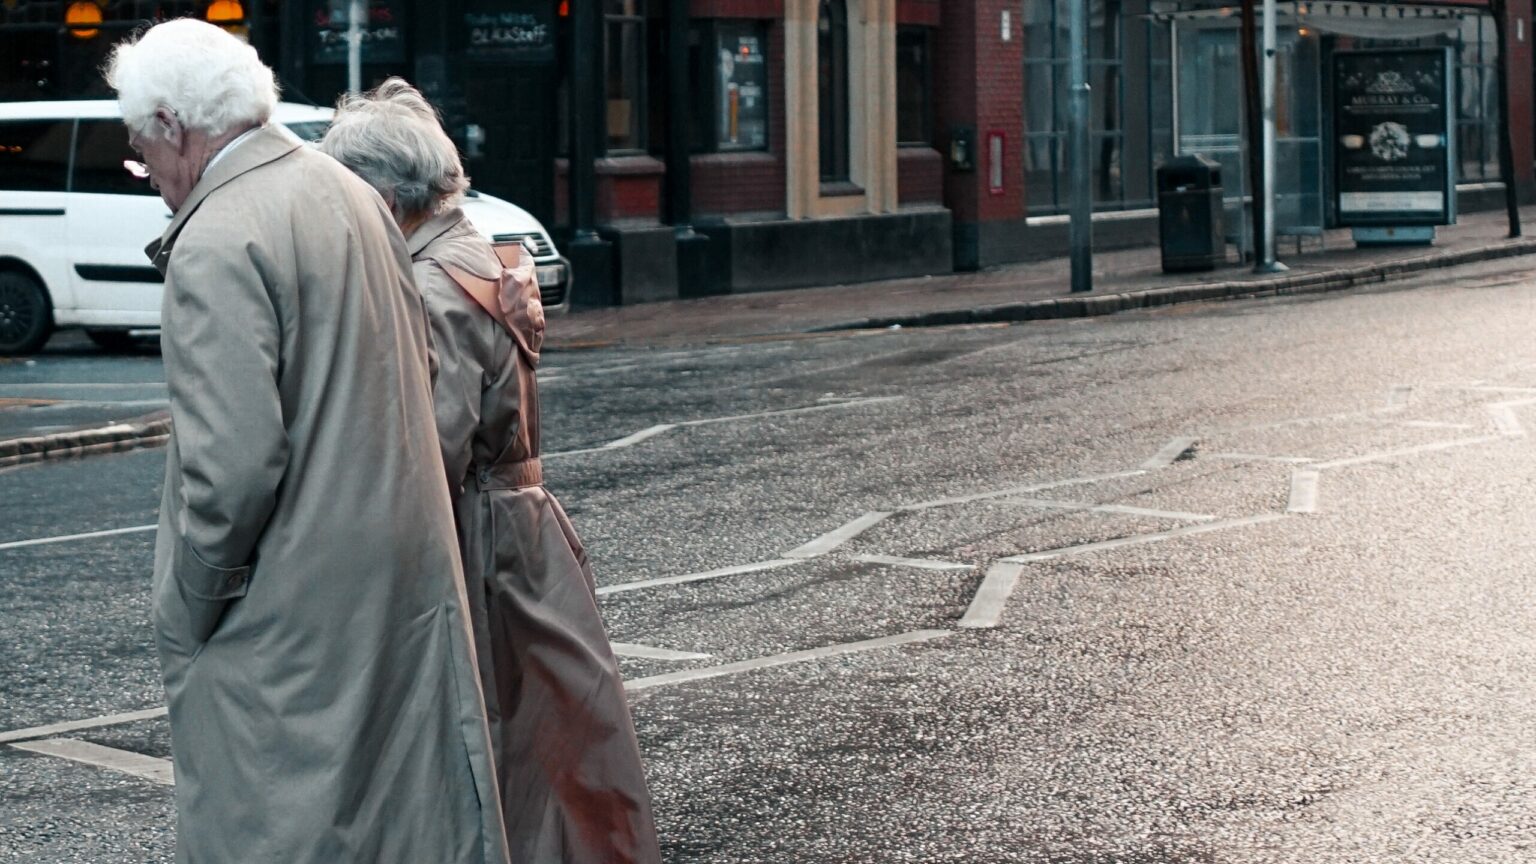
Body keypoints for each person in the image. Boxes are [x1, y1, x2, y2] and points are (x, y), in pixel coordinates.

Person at [107, 22, 509, 864]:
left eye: (141, 147)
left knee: (277, 826)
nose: (148, 173)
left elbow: (232, 472)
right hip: (395, 582)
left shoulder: (218, 238)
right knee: (397, 823)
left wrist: (189, 607)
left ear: (175, 124)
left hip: (284, 613)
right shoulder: (347, 191)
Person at [320, 79, 663, 864]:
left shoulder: (434, 283)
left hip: (477, 538)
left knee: (495, 743)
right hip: (517, 530)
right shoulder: (474, 250)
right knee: (547, 744)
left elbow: (428, 449)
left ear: (383, 190)